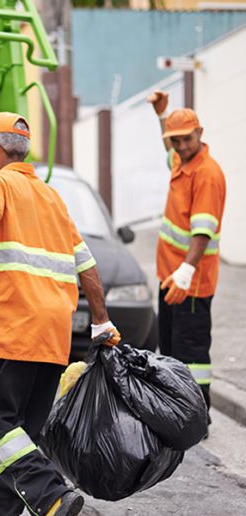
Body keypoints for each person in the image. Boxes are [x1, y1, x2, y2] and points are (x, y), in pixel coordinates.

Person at [0, 112, 121, 516]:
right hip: (53, 336)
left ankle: (51, 493)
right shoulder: (53, 197)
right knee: (20, 440)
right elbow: (86, 265)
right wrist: (102, 320)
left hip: (10, 327)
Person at [147, 91, 226, 427]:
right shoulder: (183, 161)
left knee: (192, 354)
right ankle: (178, 410)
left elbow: (203, 232)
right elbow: (170, 151)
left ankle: (198, 418)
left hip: (190, 283)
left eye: (185, 139)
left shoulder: (207, 174)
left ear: (200, 134)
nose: (180, 145)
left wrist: (185, 272)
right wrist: (162, 114)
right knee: (172, 350)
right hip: (171, 277)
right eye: (175, 140)